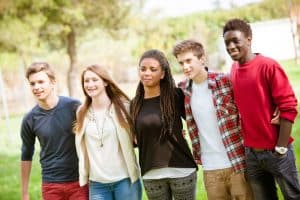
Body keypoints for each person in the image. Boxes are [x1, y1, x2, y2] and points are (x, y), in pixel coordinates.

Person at [223, 18, 300, 200]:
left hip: (277, 151)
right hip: (251, 154)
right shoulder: (233, 69)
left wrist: (280, 148)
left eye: (236, 41)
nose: (231, 46)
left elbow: (288, 107)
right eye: (227, 43)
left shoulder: (268, 65)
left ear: (249, 39)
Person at [172, 39, 253, 200]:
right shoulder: (183, 90)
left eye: (189, 61)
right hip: (210, 169)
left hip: (236, 163)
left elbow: (252, 98)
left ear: (202, 59)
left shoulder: (225, 81)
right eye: (181, 63)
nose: (185, 67)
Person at [130, 49, 198, 200]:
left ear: (162, 74)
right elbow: (135, 139)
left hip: (182, 170)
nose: (147, 73)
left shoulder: (176, 96)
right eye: (143, 69)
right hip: (151, 174)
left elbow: (195, 122)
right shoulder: (135, 104)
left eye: (153, 69)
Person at [20, 62, 88, 200]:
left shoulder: (74, 107)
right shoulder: (29, 119)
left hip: (79, 182)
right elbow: (26, 154)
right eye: (32, 84)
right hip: (51, 185)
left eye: (41, 82)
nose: (36, 87)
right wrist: (25, 193)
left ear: (52, 82)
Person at [73, 64, 142, 200]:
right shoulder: (81, 112)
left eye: (94, 80)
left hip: (125, 180)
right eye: (86, 81)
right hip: (97, 184)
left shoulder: (124, 107)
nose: (90, 84)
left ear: (105, 82)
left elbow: (143, 132)